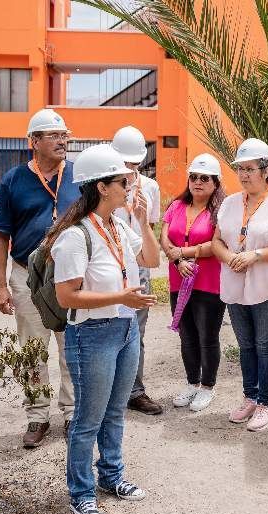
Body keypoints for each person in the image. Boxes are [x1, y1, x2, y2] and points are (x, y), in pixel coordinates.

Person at [47, 143, 159, 514]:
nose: (129, 185)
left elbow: (151, 260)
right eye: (121, 181)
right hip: (92, 333)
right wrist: (122, 296)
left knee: (114, 412)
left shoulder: (119, 225)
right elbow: (67, 296)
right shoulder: (75, 237)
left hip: (126, 328)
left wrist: (143, 220)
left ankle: (111, 477)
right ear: (101, 187)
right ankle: (81, 492)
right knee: (88, 418)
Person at [0, 109, 81, 447]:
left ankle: (72, 413)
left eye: (64, 135)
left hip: (69, 277)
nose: (62, 140)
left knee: (71, 346)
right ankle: (37, 416)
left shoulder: (78, 175)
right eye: (54, 135)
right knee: (32, 350)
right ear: (34, 142)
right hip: (27, 276)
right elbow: (0, 236)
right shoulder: (13, 179)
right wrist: (1, 286)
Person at [211, 138, 268, 431]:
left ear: (265, 170)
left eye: (250, 168)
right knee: (245, 345)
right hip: (235, 285)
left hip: (267, 287)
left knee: (265, 346)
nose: (244, 175)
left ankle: (266, 404)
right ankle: (249, 397)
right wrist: (228, 256)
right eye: (240, 169)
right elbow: (216, 241)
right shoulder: (230, 203)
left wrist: (255, 255)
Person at [160, 153, 227, 412]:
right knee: (186, 336)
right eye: (194, 177)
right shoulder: (176, 206)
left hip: (209, 283)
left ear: (215, 183)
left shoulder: (221, 211)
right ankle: (191, 383)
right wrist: (177, 261)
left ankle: (207, 387)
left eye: (204, 178)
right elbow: (165, 239)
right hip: (180, 279)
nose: (198, 182)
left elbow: (217, 245)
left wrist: (185, 253)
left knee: (207, 336)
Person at [111, 125, 164, 415]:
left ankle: (135, 390)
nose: (130, 169)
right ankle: (109, 392)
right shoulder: (106, 184)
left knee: (136, 331)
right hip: (108, 268)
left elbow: (151, 233)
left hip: (139, 267)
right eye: (125, 163)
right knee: (107, 327)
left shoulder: (151, 188)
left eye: (134, 163)